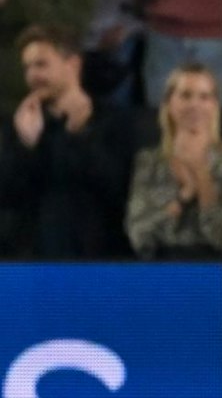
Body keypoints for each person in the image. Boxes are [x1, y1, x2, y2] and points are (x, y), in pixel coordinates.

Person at [0, 24, 139, 257]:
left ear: (73, 64)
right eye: (27, 68)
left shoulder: (114, 120)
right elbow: (7, 197)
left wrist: (81, 135)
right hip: (33, 265)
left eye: (41, 64)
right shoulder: (19, 125)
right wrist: (25, 145)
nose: (32, 75)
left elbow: (119, 191)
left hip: (99, 263)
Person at [125, 60, 221, 259]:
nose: (194, 104)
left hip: (221, 270)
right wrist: (184, 196)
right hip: (163, 271)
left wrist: (202, 175)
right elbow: (140, 234)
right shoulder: (149, 162)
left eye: (204, 97)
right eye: (186, 95)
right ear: (169, 103)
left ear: (214, 106)